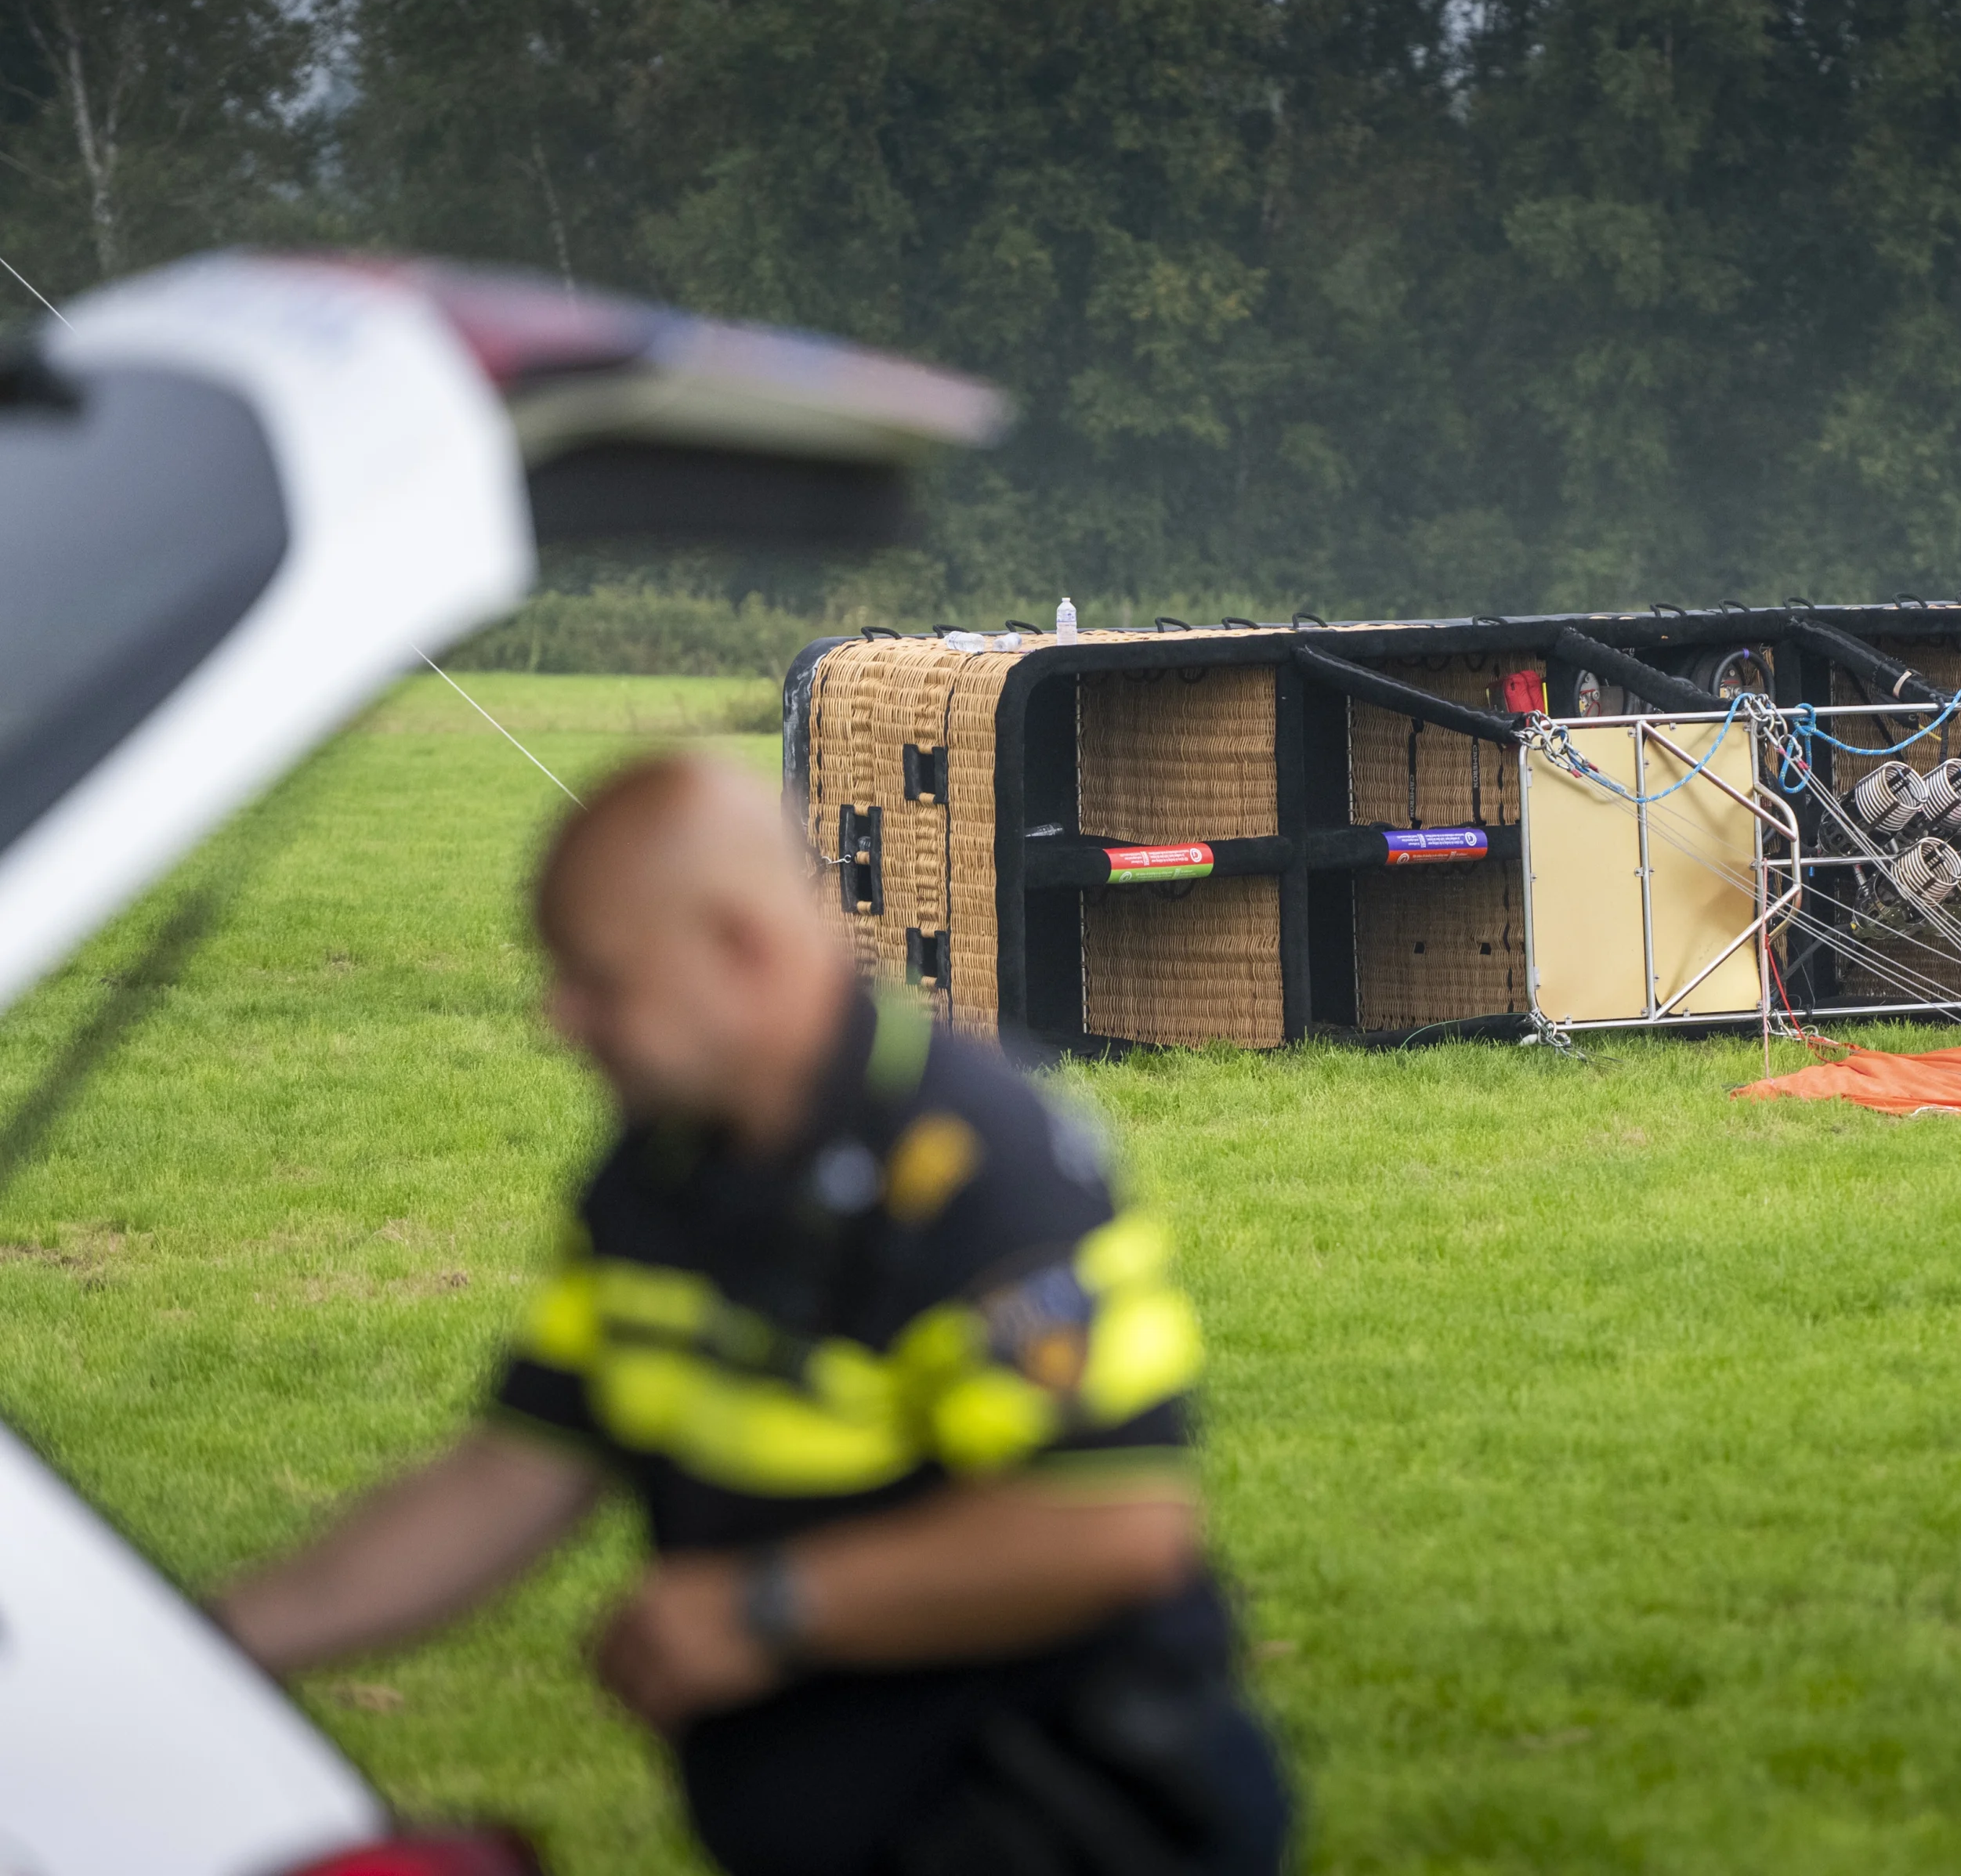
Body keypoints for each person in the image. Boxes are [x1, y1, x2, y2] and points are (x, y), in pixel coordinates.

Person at [219, 751, 1290, 1876]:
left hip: (1066, 1834)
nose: (558, 1017)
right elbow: (513, 1474)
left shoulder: (979, 1166)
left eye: (597, 979)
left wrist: (769, 1607)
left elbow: (1114, 1525)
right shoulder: (650, 1182)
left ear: (739, 945)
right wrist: (217, 1643)